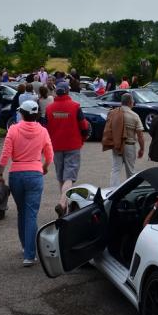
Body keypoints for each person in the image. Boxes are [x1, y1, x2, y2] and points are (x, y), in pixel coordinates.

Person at [0, 100, 53, 266]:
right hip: (35, 173)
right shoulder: (43, 131)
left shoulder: (13, 129)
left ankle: (24, 246)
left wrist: (0, 173)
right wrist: (44, 167)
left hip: (16, 174)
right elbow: (50, 154)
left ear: (22, 113)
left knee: (22, 212)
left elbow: (5, 154)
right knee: (31, 213)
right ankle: (29, 254)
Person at [45, 83, 90, 216]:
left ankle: (63, 207)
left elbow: (46, 128)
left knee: (61, 177)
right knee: (69, 177)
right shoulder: (75, 106)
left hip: (56, 146)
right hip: (72, 145)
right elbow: (84, 126)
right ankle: (62, 203)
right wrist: (83, 139)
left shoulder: (49, 108)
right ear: (67, 92)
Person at [102, 93, 145, 185]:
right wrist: (142, 148)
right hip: (129, 146)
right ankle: (129, 191)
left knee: (115, 170)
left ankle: (113, 191)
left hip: (116, 144)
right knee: (130, 171)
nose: (133, 102)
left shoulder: (113, 113)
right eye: (133, 101)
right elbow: (140, 135)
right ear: (130, 102)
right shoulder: (134, 116)